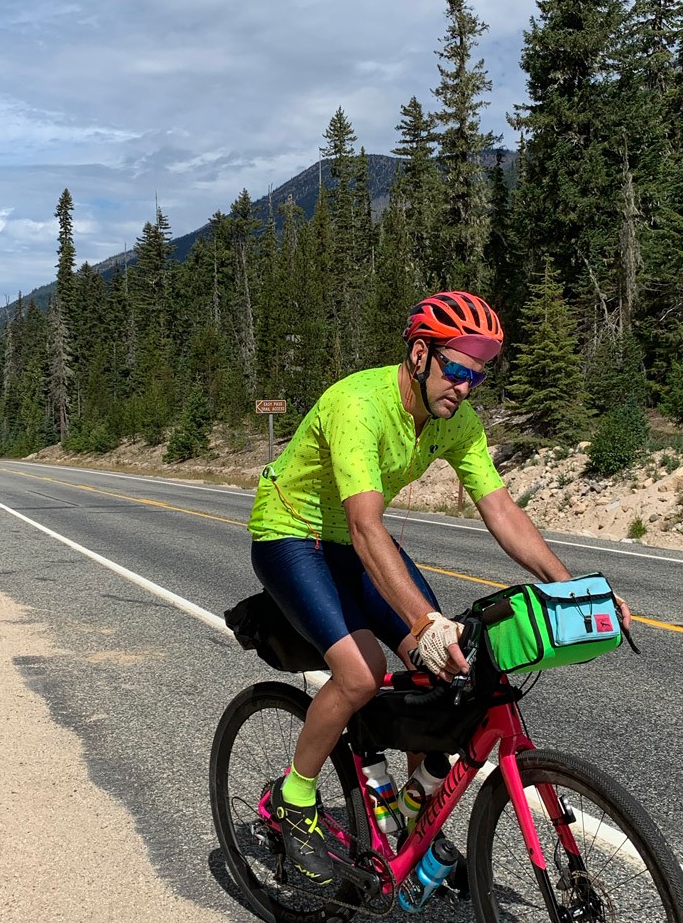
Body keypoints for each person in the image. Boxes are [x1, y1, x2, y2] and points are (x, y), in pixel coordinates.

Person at [247, 290, 630, 884]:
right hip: (292, 533)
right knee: (361, 672)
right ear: (421, 355)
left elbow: (501, 510)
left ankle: (407, 814)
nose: (466, 387)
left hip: (352, 542)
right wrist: (423, 622)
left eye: (478, 376)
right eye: (457, 369)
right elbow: (365, 525)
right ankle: (292, 800)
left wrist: (574, 590)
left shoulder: (457, 419)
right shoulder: (359, 404)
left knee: (446, 672)